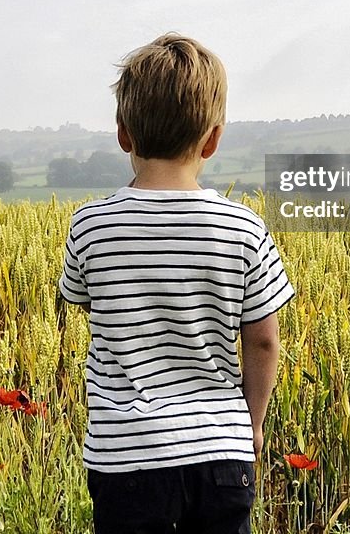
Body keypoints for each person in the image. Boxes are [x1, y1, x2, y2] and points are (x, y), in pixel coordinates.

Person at [58, 33, 296, 534]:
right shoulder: (244, 228)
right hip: (222, 456)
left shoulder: (91, 225)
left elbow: (81, 300)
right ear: (212, 139)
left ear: (124, 134)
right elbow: (264, 339)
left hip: (126, 457)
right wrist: (251, 424)